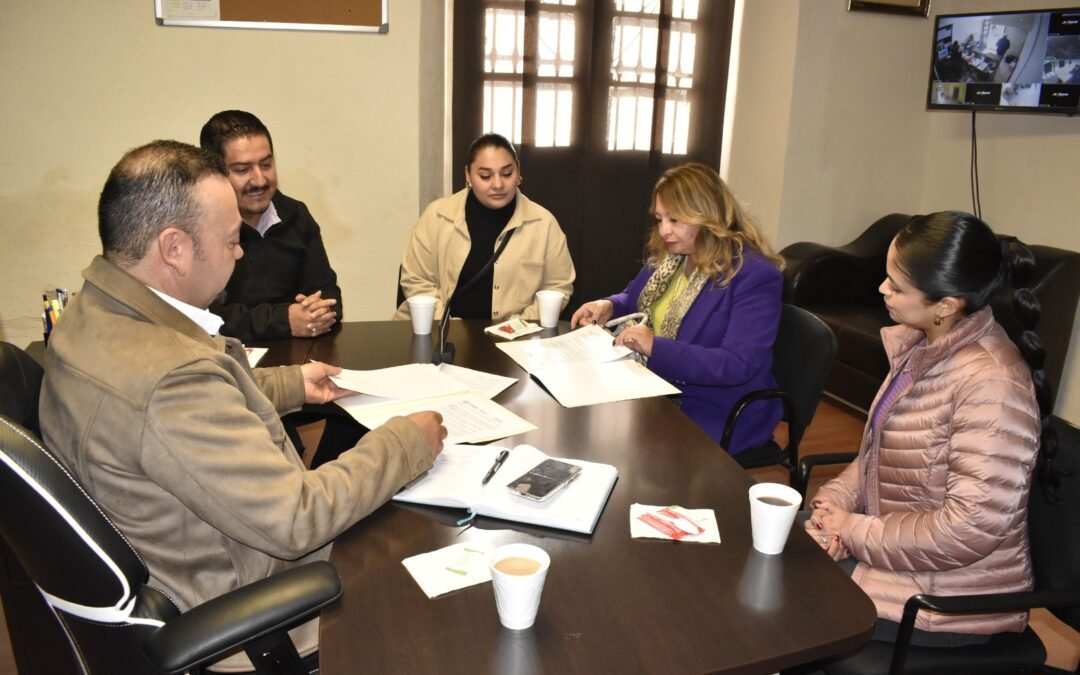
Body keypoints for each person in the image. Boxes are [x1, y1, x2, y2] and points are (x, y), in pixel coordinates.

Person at [38, 140, 447, 672]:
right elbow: (297, 518)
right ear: (174, 248)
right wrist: (405, 441)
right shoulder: (171, 380)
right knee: (432, 548)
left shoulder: (93, 313)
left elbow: (179, 414)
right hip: (248, 609)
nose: (239, 253)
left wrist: (293, 384)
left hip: (186, 558)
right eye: (231, 240)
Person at [801, 212, 1062, 667]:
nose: (882, 289)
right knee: (776, 557)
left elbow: (969, 528)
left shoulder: (992, 385)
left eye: (897, 286)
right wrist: (836, 504)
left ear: (946, 305)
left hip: (949, 599)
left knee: (790, 594)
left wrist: (853, 531)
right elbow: (876, 455)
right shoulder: (922, 347)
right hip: (899, 555)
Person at [571, 163, 784, 453]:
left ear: (706, 215)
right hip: (654, 387)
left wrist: (655, 348)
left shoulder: (753, 275)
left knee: (612, 443)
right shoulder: (672, 258)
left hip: (713, 406)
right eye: (659, 219)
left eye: (675, 219)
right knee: (581, 417)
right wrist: (608, 305)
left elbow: (736, 364)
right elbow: (635, 300)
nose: (665, 230)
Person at [394, 133, 575, 323]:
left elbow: (558, 285)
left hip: (515, 340)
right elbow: (416, 280)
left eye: (507, 173)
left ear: (518, 171)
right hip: (440, 334)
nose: (498, 184)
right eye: (485, 176)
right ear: (468, 175)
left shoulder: (543, 224)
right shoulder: (437, 216)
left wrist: (519, 326)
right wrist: (449, 328)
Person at [200, 110, 341, 343]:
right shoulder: (199, 228)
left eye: (266, 165)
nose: (259, 180)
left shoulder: (296, 215)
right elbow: (203, 316)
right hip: (228, 360)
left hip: (300, 354)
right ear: (215, 173)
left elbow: (327, 291)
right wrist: (284, 320)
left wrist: (318, 311)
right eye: (242, 170)